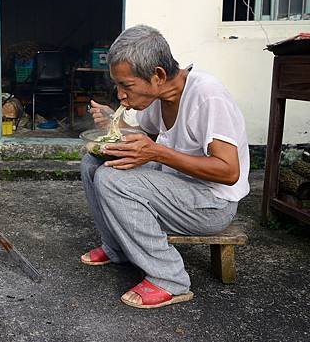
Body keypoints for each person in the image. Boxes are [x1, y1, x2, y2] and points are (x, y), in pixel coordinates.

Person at [80, 25, 249, 309]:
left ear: (158, 75)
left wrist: (157, 153)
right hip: (176, 187)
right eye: (118, 85)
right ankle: (117, 247)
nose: (120, 94)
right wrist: (115, 123)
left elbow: (228, 171)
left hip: (211, 204)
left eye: (127, 86)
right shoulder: (159, 97)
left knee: (111, 179)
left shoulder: (207, 96)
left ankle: (170, 278)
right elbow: (145, 138)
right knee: (93, 161)